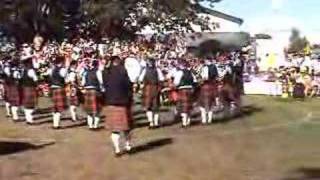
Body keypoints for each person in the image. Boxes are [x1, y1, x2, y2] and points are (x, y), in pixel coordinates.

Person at [103, 56, 133, 156]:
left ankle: (117, 149)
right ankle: (128, 146)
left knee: (114, 130)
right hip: (122, 103)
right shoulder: (123, 71)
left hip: (110, 103)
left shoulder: (106, 73)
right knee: (126, 128)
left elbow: (104, 83)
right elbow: (128, 86)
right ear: (119, 62)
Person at [139, 58, 164, 128]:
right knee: (155, 107)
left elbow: (140, 79)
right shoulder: (157, 70)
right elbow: (161, 79)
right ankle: (155, 123)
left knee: (148, 107)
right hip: (155, 88)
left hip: (147, 89)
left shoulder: (145, 70)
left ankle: (151, 123)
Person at [173, 60, 197, 128]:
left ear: (181, 65)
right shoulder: (191, 72)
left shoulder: (179, 72)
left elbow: (176, 83)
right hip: (190, 90)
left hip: (182, 90)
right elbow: (195, 81)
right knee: (188, 107)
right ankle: (188, 121)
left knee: (183, 107)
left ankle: (184, 123)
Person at [82, 59, 103, 130]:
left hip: (87, 90)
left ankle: (90, 126)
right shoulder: (98, 72)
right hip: (95, 90)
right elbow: (101, 82)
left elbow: (83, 83)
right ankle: (95, 126)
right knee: (97, 110)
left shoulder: (86, 72)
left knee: (89, 110)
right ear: (97, 65)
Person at [50, 56, 68, 129]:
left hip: (53, 88)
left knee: (55, 107)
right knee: (58, 108)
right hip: (59, 88)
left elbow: (50, 76)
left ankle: (55, 123)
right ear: (61, 62)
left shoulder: (52, 69)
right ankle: (56, 125)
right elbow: (64, 77)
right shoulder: (63, 69)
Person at [198, 59, 218, 124]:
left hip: (205, 86)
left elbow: (205, 78)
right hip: (211, 86)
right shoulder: (214, 66)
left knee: (202, 105)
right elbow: (216, 76)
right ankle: (209, 120)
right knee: (211, 104)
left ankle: (204, 120)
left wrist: (200, 80)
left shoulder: (205, 68)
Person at [20, 58, 38, 124]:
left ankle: (28, 118)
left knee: (27, 104)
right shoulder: (31, 70)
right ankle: (29, 119)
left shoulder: (23, 70)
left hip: (25, 88)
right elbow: (35, 79)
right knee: (30, 105)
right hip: (30, 87)